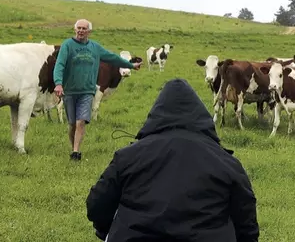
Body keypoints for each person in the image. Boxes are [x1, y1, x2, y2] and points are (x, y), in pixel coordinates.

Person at [85, 78, 260, 241]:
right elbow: (247, 223)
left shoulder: (128, 157)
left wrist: (106, 229)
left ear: (156, 114)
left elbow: (96, 206)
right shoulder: (227, 164)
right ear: (202, 118)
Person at [53, 19, 141, 161]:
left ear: (89, 31)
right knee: (72, 124)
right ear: (75, 30)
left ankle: (76, 152)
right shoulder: (67, 45)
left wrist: (131, 66)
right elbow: (60, 65)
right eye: (79, 28)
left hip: (87, 91)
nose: (81, 30)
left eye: (84, 28)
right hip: (70, 90)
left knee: (81, 121)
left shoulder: (95, 47)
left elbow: (113, 58)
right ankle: (73, 147)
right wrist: (58, 83)